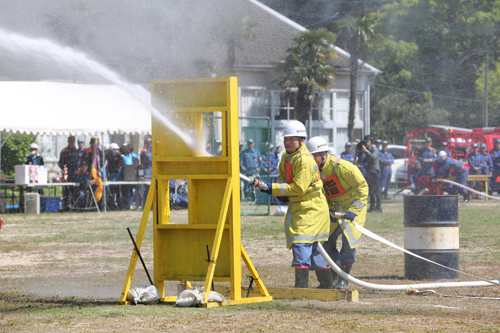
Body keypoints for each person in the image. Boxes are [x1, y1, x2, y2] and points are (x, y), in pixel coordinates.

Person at [255, 121, 331, 289]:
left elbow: (298, 188)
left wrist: (271, 188)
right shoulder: (286, 157)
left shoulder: (304, 160)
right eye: (285, 139)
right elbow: (282, 176)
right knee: (313, 250)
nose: (287, 142)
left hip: (312, 208)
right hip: (302, 207)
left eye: (291, 139)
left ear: (302, 140)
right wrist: (281, 194)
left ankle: (301, 288)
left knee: (301, 244)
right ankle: (327, 285)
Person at [306, 136, 368, 290]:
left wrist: (354, 211)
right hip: (334, 210)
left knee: (348, 243)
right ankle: (335, 275)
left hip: (353, 209)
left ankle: (343, 280)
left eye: (313, 156)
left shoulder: (343, 167)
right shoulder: (314, 171)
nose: (311, 160)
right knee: (326, 242)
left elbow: (363, 188)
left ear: (323, 154)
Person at [58, 136, 80, 211]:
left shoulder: (76, 151)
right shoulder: (64, 151)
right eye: (70, 141)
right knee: (66, 190)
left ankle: (74, 206)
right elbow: (60, 163)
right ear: (68, 142)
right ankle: (65, 206)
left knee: (74, 190)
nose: (71, 143)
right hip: (67, 173)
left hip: (75, 173)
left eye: (73, 141)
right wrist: (65, 170)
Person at [361, 136, 382, 212]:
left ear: (370, 141)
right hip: (370, 172)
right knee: (371, 191)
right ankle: (372, 207)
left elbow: (373, 157)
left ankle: (378, 207)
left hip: (375, 172)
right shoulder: (369, 149)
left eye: (367, 141)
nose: (366, 143)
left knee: (376, 190)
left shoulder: (373, 148)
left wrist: (366, 151)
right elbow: (367, 159)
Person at [105, 143, 122, 208]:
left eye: (116, 150)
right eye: (114, 150)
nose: (115, 151)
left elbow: (121, 161)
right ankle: (111, 204)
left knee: (117, 189)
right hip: (111, 173)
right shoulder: (108, 155)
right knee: (111, 189)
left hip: (116, 173)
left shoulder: (118, 155)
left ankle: (118, 203)